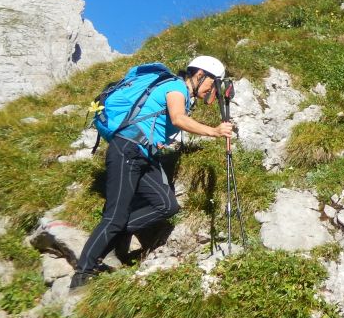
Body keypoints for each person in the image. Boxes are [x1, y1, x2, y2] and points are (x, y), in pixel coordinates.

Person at [70, 55, 234, 289]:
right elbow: (178, 119)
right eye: (212, 83)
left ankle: (114, 235)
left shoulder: (185, 95)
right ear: (200, 75)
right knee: (115, 216)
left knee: (167, 206)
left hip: (143, 154)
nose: (212, 90)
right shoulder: (176, 86)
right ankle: (82, 275)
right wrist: (214, 131)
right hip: (127, 148)